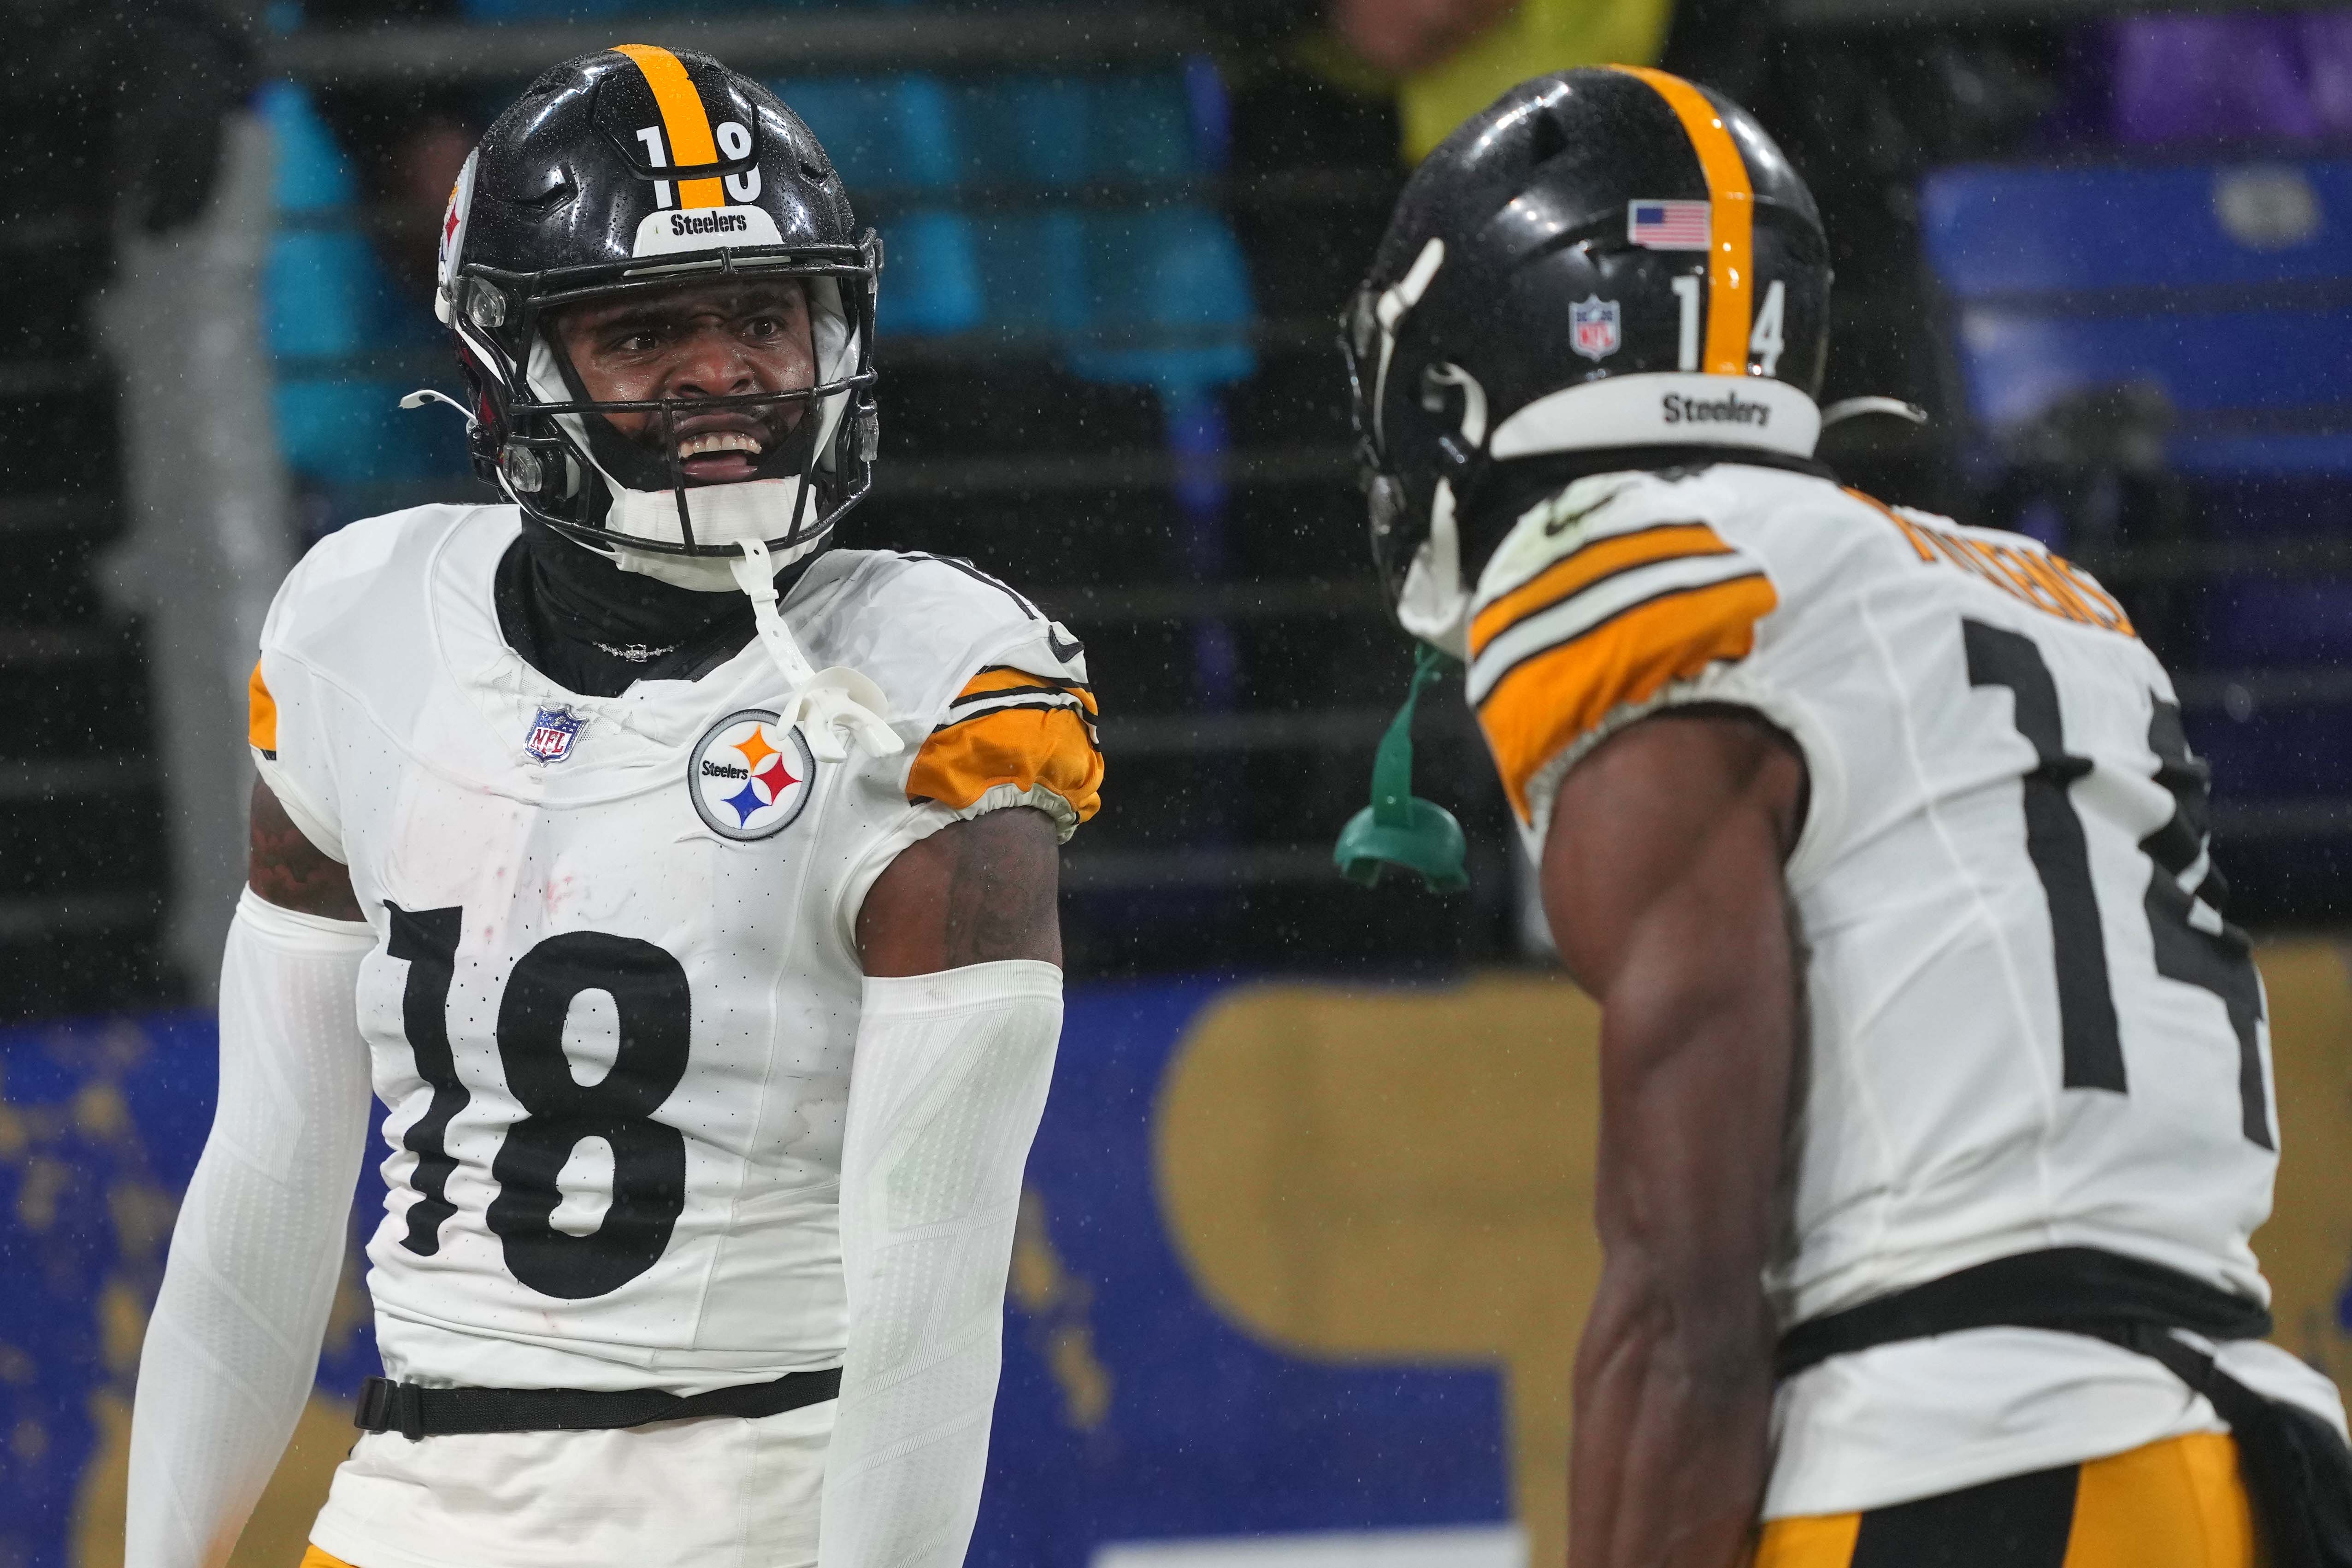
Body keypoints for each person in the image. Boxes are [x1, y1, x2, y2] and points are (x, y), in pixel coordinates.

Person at [1339, 65, 2352, 1567]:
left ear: (1474, 374)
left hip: (1955, 1458)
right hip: (2249, 1455)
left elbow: (1689, 1305)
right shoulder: (2038, 590)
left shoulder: (1635, 568)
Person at [124, 45, 1102, 1568]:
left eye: (765, 318)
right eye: (648, 332)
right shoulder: (358, 622)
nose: (725, 376)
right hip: (406, 1511)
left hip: (746, 1514)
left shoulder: (931, 680)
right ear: (503, 369)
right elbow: (268, 1177)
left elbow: (932, 1283)